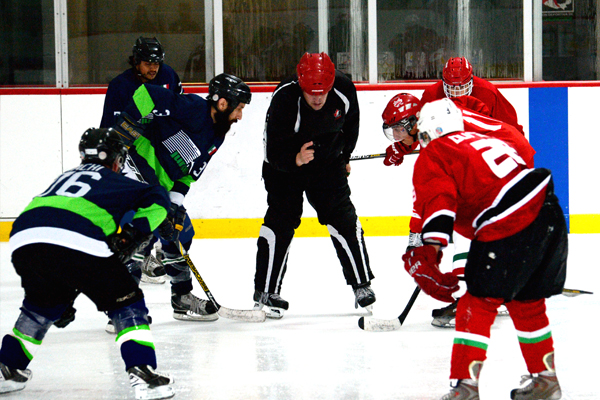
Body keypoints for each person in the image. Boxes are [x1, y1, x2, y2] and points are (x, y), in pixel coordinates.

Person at [402, 98, 566, 399]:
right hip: (549, 211)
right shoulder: (481, 138)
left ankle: (464, 387)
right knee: (525, 302)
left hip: (508, 220)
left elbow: (440, 205)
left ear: (426, 133)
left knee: (475, 304)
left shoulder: (436, 152)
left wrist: (429, 251)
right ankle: (546, 380)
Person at [0, 128, 175, 400]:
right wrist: (133, 233)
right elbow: (158, 196)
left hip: (24, 238)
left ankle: (7, 368)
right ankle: (142, 372)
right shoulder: (113, 178)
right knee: (127, 303)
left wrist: (62, 298)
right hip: (77, 239)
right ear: (117, 159)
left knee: (40, 307)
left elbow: (59, 248)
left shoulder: (65, 176)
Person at [381, 93, 534, 328]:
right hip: (508, 149)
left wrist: (418, 234)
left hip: (509, 156)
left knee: (465, 225)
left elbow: (434, 192)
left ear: (413, 124)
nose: (396, 135)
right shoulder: (434, 120)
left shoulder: (437, 133)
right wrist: (403, 146)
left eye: (399, 130)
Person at [112, 73, 252, 324]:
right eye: (239, 108)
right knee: (141, 236)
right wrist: (127, 126)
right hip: (136, 170)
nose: (240, 116)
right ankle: (123, 310)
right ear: (223, 103)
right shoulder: (193, 107)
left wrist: (175, 204)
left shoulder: (217, 133)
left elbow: (189, 175)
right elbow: (147, 93)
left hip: (161, 188)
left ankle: (182, 298)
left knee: (180, 232)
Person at [253, 52, 375, 319]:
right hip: (284, 167)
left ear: (331, 84)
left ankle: (362, 285)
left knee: (344, 218)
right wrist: (294, 159)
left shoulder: (343, 89)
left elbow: (351, 128)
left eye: (322, 92)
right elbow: (271, 149)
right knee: (279, 223)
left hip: (327, 162)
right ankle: (266, 291)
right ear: (301, 85)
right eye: (311, 93)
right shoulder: (285, 97)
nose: (317, 98)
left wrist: (344, 158)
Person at [100, 36, 183, 285]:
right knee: (145, 201)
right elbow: (111, 129)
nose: (153, 68)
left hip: (162, 150)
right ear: (136, 61)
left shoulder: (169, 76)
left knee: (166, 201)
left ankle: (157, 252)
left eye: (157, 62)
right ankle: (141, 254)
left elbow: (180, 111)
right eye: (148, 62)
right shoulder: (120, 86)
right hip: (133, 152)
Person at [420, 57, 525, 135]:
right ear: (443, 82)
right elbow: (418, 131)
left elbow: (510, 126)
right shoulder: (431, 95)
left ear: (471, 81)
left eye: (461, 87)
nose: (457, 92)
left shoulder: (487, 92)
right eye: (451, 87)